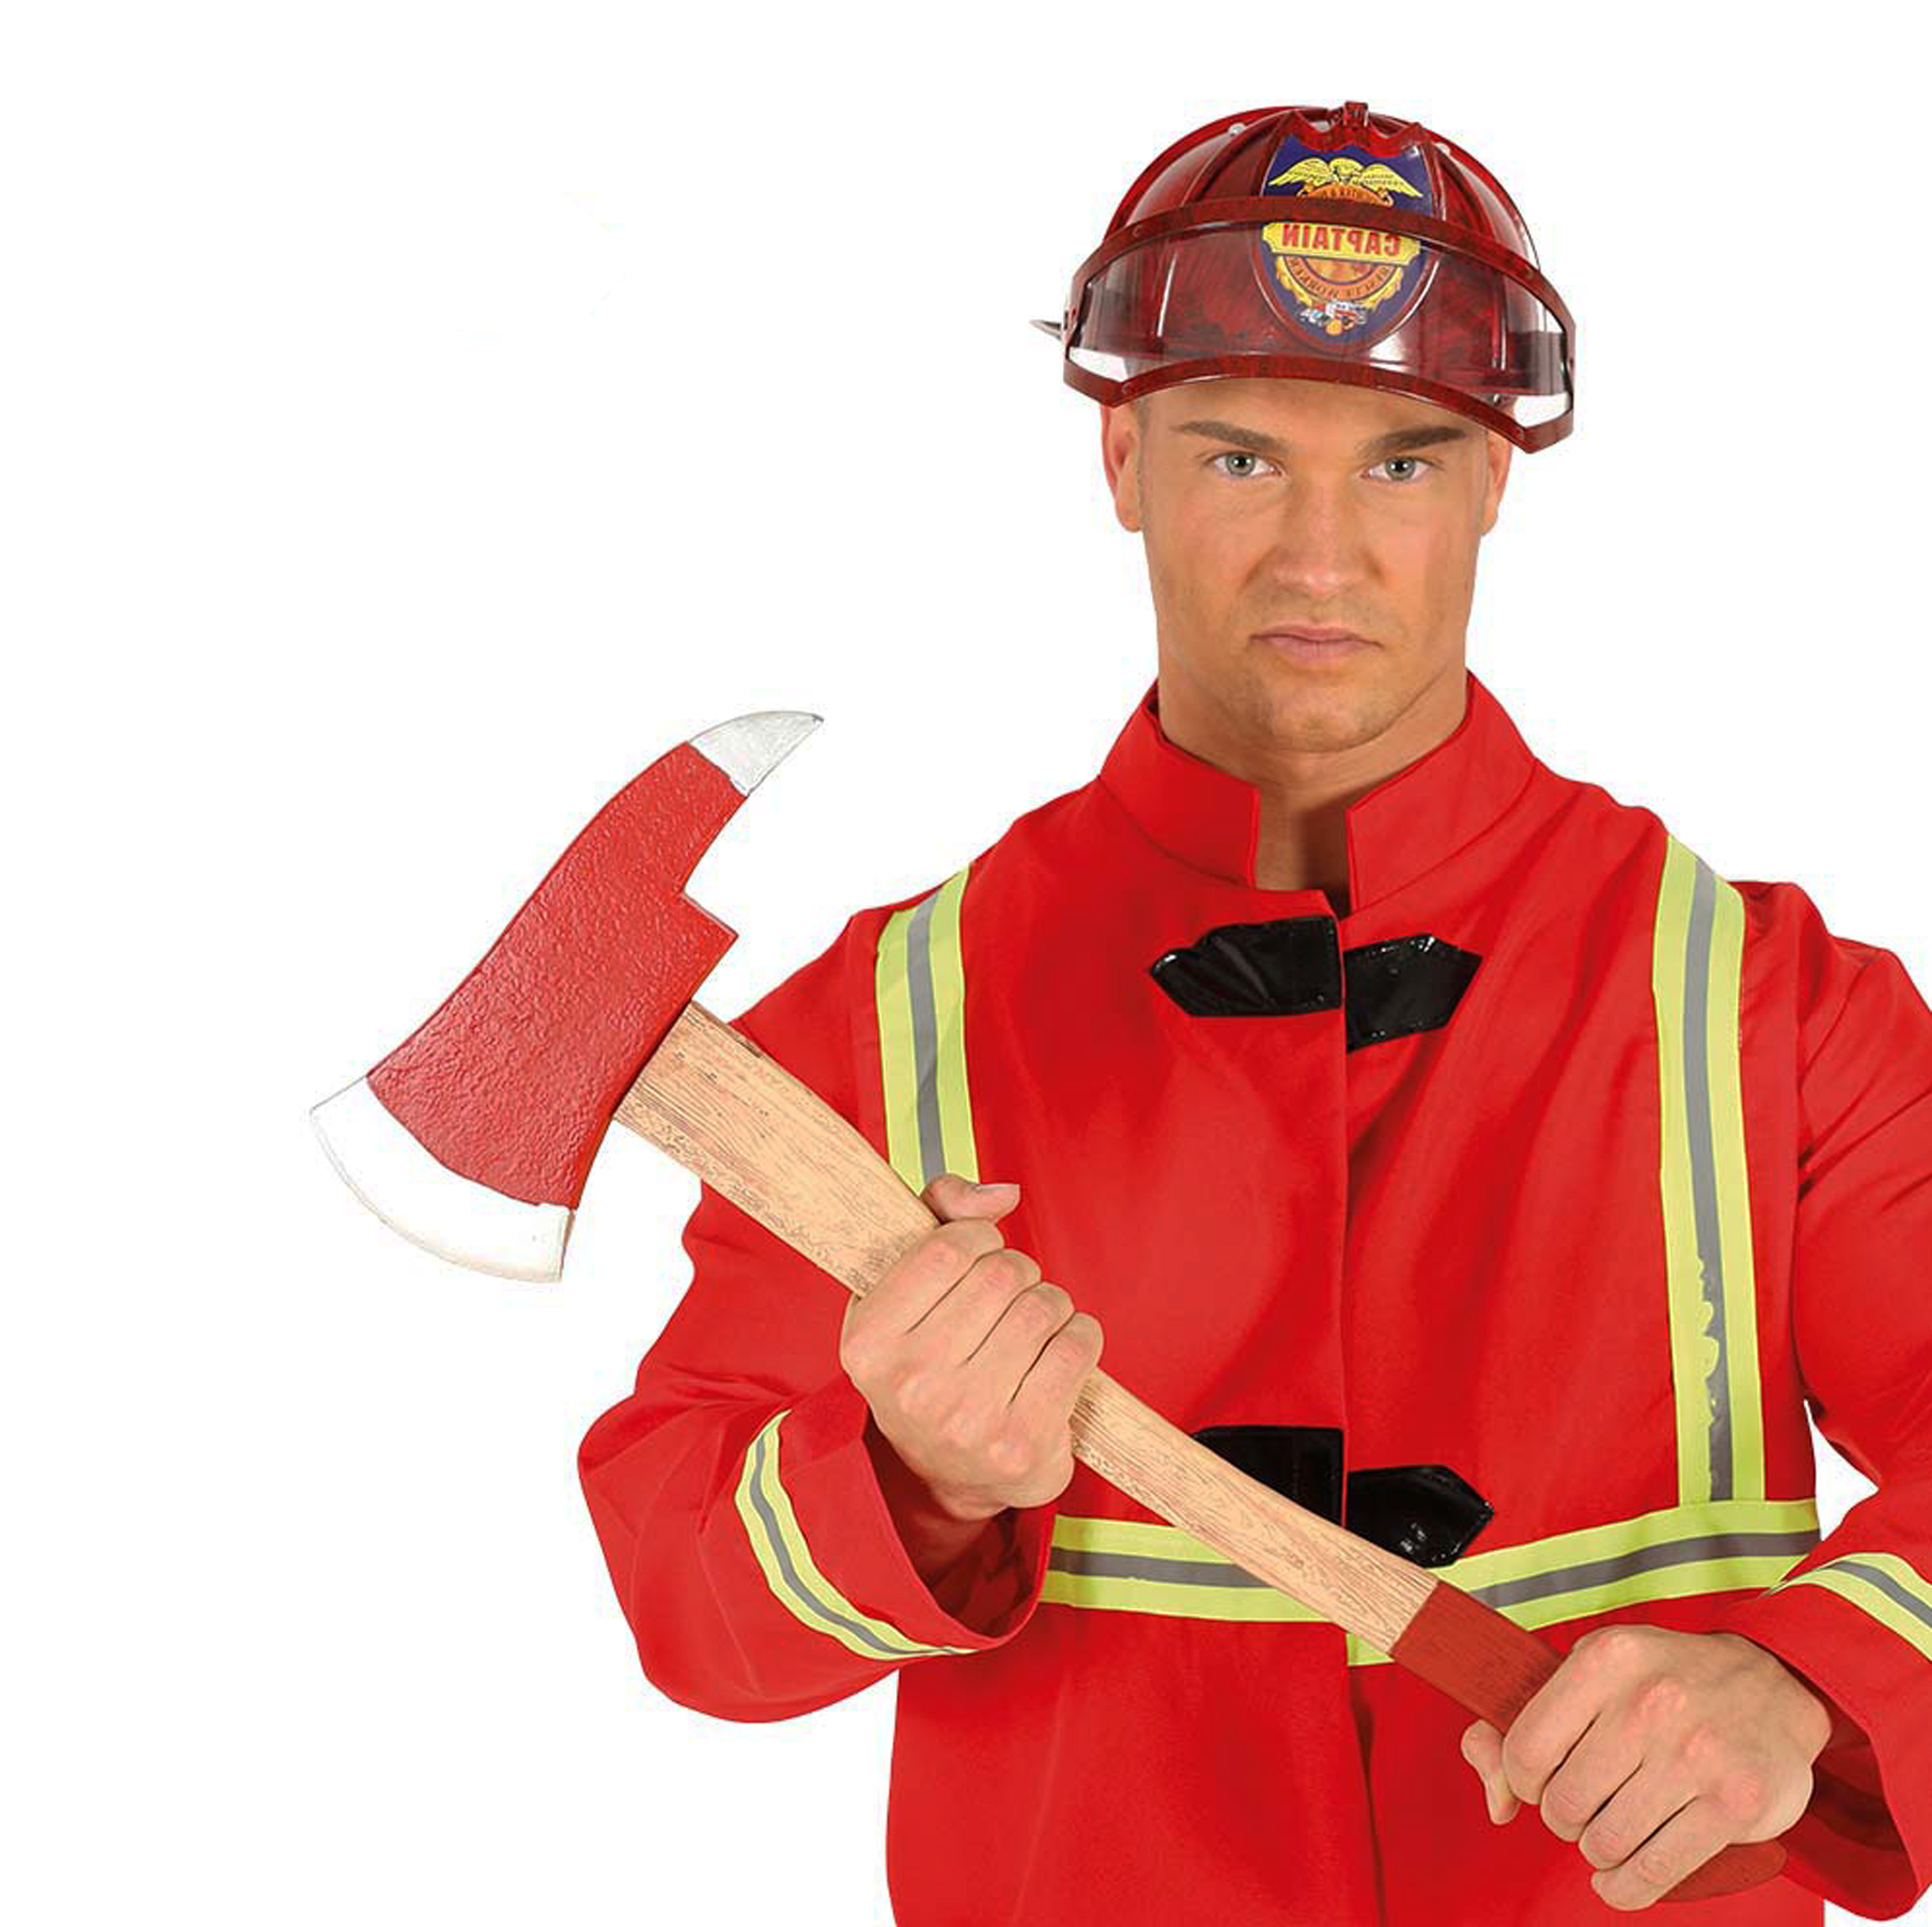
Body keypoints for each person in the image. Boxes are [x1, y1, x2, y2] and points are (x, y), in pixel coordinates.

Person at [576, 102, 1932, 1923]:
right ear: (1121, 458)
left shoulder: (1769, 1008)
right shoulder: (879, 1024)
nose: (1319, 556)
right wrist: (910, 1482)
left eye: (1401, 462)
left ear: (1494, 478)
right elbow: (682, 1588)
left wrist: (1805, 1686)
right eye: (1239, 458)